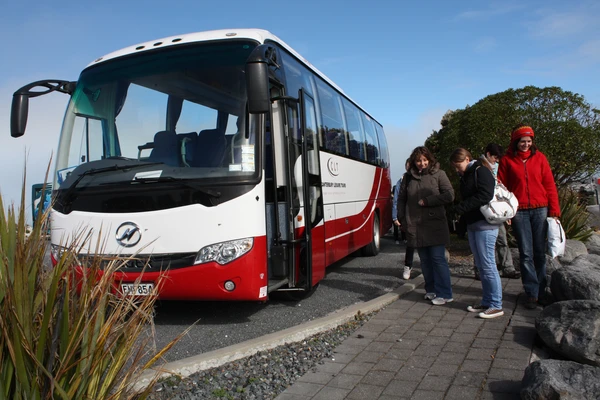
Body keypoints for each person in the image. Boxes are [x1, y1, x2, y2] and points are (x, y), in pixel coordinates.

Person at [498, 125, 561, 309]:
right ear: (515, 142)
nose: (526, 144)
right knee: (526, 253)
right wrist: (506, 212)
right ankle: (531, 292)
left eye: (529, 141)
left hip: (540, 209)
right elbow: (502, 188)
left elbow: (549, 185)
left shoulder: (540, 158)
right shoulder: (507, 161)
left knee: (540, 253)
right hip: (520, 211)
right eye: (522, 141)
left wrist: (554, 211)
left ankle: (542, 291)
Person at [450, 148, 504, 319]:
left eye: (459, 165)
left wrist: (460, 208)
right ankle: (487, 301)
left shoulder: (481, 172)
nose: (457, 169)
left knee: (488, 265)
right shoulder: (467, 175)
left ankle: (496, 304)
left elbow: (485, 195)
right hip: (474, 224)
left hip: (485, 224)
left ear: (467, 159)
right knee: (481, 265)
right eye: (455, 167)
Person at [397, 146, 454, 304]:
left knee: (437, 258)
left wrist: (429, 201)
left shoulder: (439, 174)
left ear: (429, 159)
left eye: (424, 160)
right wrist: (401, 217)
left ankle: (445, 293)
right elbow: (401, 199)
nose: (422, 163)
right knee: (425, 260)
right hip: (415, 224)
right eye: (418, 160)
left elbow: (450, 195)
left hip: (435, 224)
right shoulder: (408, 178)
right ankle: (431, 290)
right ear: (414, 162)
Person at [480, 143, 520, 280]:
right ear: (488, 154)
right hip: (484, 210)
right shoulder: (479, 166)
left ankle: (507, 267)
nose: (496, 161)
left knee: (502, 239)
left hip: (498, 209)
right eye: (494, 157)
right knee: (483, 242)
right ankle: (480, 270)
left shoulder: (497, 168)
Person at [393, 159, 414, 280]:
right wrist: (395, 216)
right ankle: (408, 266)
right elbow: (396, 200)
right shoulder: (401, 181)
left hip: (422, 216)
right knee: (410, 244)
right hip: (408, 215)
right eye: (407, 166)